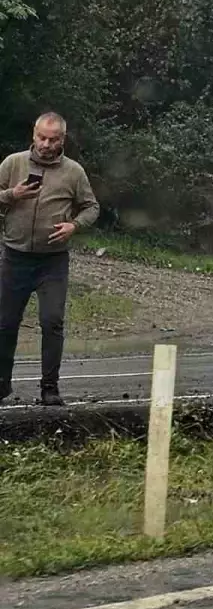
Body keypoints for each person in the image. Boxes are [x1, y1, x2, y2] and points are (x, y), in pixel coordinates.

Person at [0, 112, 100, 405]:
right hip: (15, 257)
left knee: (52, 321)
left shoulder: (73, 172)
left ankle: (49, 388)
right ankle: (2, 383)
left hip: (52, 262)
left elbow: (91, 207)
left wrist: (75, 226)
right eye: (41, 137)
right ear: (33, 135)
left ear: (62, 140)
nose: (45, 144)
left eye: (52, 139)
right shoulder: (12, 163)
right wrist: (11, 194)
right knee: (5, 323)